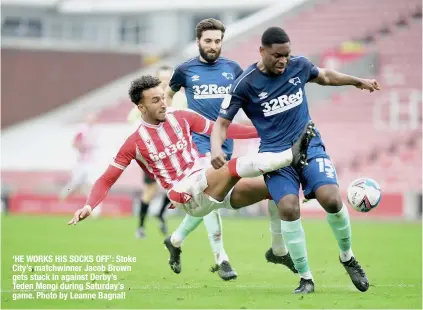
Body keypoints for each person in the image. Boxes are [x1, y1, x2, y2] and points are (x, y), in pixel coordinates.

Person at [68, 75, 315, 279]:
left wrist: (260, 131)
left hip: (209, 183)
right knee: (230, 166)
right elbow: (106, 179)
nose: (163, 103)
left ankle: (278, 249)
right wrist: (89, 204)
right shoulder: (134, 143)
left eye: (163, 97)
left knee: (275, 190)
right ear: (141, 108)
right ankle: (289, 154)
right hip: (188, 195)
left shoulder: (182, 117)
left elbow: (224, 130)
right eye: (155, 101)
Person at [210, 26, 380, 294]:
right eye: (277, 56)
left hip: (309, 144)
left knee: (332, 199)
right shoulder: (245, 84)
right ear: (262, 51)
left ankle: (347, 257)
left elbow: (323, 76)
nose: (283, 61)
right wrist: (216, 149)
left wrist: (356, 81)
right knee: (289, 208)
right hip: (275, 158)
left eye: (286, 55)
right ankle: (306, 278)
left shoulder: (298, 65)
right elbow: (221, 123)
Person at [164, 18, 248, 280]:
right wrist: (169, 116)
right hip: (198, 142)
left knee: (210, 200)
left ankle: (176, 240)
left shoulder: (233, 69)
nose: (213, 46)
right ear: (198, 41)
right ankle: (221, 259)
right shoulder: (185, 70)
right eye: (208, 41)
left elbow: (248, 96)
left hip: (226, 140)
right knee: (209, 193)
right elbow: (169, 92)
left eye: (217, 41)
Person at [127, 65, 185, 238]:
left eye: (168, 78)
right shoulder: (147, 99)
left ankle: (160, 214)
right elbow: (132, 121)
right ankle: (141, 226)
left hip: (175, 152)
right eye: (162, 79)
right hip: (153, 154)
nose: (166, 82)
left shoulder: (181, 98)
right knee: (151, 190)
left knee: (178, 187)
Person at [59, 113, 101, 216]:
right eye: (90, 118)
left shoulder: (96, 131)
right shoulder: (82, 130)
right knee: (74, 184)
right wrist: (82, 147)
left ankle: (96, 211)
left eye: (94, 118)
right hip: (81, 163)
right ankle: (63, 195)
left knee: (94, 185)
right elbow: (74, 144)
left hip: (91, 163)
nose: (92, 120)